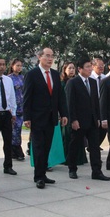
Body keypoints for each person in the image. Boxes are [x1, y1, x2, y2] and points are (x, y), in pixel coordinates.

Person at [23, 47, 68, 189]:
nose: (50, 59)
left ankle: (43, 174)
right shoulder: (32, 74)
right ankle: (38, 177)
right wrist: (27, 117)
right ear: (39, 57)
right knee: (38, 147)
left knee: (47, 147)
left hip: (51, 117)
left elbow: (60, 97)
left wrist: (64, 114)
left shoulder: (55, 74)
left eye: (52, 56)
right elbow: (27, 97)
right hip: (37, 117)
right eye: (47, 56)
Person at [65, 58, 109, 181]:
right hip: (79, 121)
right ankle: (72, 169)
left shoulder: (94, 82)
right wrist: (73, 120)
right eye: (88, 67)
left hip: (93, 121)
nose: (90, 69)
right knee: (75, 145)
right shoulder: (73, 83)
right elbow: (70, 103)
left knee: (95, 147)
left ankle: (97, 171)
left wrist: (98, 118)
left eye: (91, 66)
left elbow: (96, 102)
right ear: (80, 69)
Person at [61, 62, 88, 167]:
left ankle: (79, 158)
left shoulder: (78, 81)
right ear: (65, 70)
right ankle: (67, 158)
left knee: (79, 137)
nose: (71, 70)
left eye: (73, 68)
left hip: (78, 112)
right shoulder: (62, 83)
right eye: (69, 68)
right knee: (68, 136)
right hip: (66, 112)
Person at [7, 59, 26, 161]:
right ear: (12, 66)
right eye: (17, 65)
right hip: (13, 107)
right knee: (14, 130)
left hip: (22, 107)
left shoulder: (22, 78)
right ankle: (15, 150)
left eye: (20, 66)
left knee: (18, 129)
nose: (19, 67)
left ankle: (14, 150)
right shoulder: (9, 78)